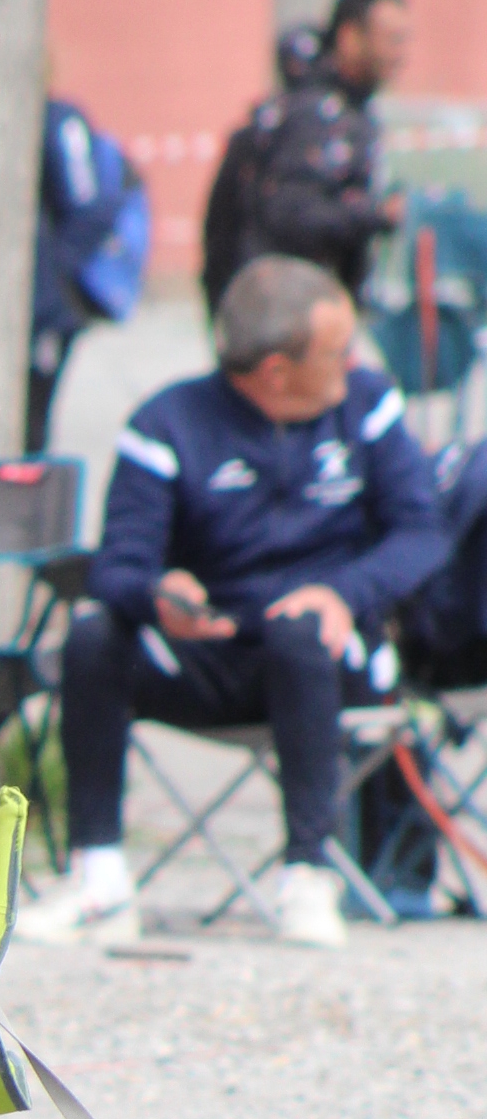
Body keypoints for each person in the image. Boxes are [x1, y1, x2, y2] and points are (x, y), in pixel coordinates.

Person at [22, 255, 445, 955]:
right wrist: (160, 596)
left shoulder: (366, 405)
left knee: (299, 628)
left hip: (327, 654)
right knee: (95, 634)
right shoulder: (168, 423)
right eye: (337, 350)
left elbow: (422, 533)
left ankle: (310, 875)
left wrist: (345, 592)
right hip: (211, 651)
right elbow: (118, 565)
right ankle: (97, 878)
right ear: (277, 370)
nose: (354, 359)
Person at [201, 0, 409, 312]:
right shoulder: (315, 117)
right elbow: (291, 217)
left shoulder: (348, 112)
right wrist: (376, 213)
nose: (401, 54)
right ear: (350, 37)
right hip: (283, 317)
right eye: (392, 39)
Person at [28, 85, 150, 453]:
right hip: (35, 303)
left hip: (45, 311)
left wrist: (51, 284)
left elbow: (90, 206)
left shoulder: (58, 117)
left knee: (31, 424)